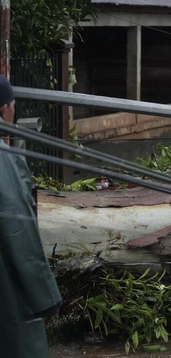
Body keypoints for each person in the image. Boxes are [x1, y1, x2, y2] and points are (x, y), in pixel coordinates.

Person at [0, 75, 63, 357]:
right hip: (7, 285)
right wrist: (46, 295)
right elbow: (18, 229)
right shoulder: (4, 159)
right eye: (12, 105)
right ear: (4, 110)